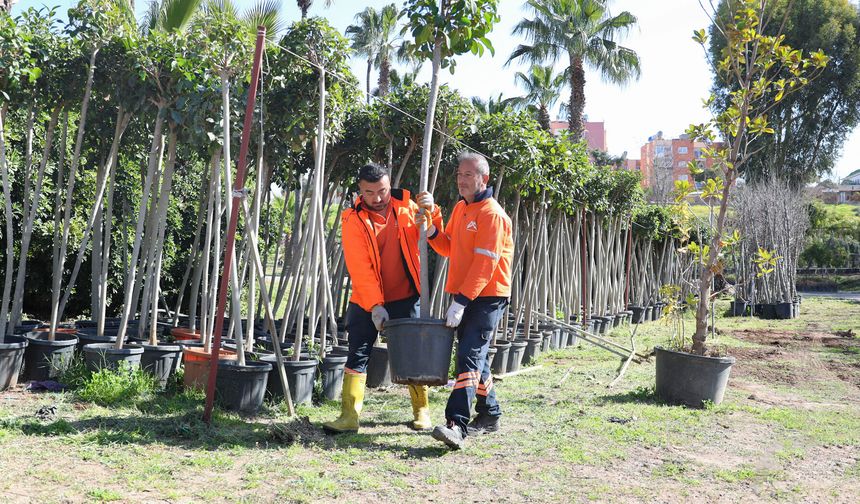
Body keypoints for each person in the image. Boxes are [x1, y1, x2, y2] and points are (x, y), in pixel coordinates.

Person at [324, 163, 442, 434]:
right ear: (360, 191)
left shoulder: (408, 207)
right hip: (367, 299)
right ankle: (349, 415)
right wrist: (376, 305)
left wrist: (432, 211)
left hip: (406, 295)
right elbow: (360, 266)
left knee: (413, 355)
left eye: (382, 191)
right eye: (370, 192)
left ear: (390, 186)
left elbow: (435, 237)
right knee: (358, 352)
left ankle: (421, 410)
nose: (377, 198)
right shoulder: (352, 219)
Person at [416, 151, 514, 450]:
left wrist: (460, 302)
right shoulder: (461, 209)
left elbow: (485, 266)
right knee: (477, 358)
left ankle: (456, 423)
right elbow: (449, 248)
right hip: (465, 293)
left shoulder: (492, 214)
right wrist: (432, 229)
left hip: (487, 296)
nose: (461, 180)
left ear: (483, 178)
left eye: (468, 175)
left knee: (468, 357)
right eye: (459, 174)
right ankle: (489, 413)